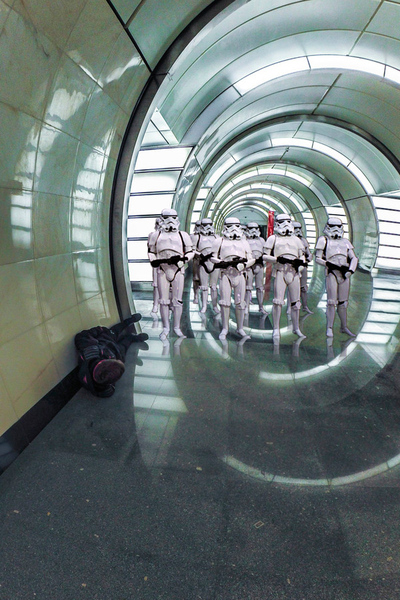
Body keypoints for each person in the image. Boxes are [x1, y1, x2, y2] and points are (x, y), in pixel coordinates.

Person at [75, 314, 149, 398]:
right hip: (116, 352)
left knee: (114, 331)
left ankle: (128, 321)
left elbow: (80, 336)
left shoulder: (90, 350)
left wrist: (100, 330)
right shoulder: (104, 386)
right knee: (124, 345)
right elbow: (109, 391)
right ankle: (132, 338)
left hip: (104, 340)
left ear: (102, 361)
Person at [148, 208, 194, 340]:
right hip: (162, 269)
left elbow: (190, 251)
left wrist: (183, 260)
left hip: (177, 269)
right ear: (162, 219)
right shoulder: (155, 235)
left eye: (173, 218)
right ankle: (166, 328)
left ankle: (177, 327)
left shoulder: (183, 235)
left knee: (177, 301)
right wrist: (153, 260)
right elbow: (151, 251)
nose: (170, 221)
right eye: (167, 218)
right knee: (163, 300)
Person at [263, 213, 306, 339]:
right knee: (278, 302)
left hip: (294, 272)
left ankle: (296, 327)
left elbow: (302, 256)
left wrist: (300, 265)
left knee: (296, 303)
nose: (286, 224)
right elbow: (265, 255)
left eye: (288, 221)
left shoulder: (296, 240)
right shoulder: (273, 239)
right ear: (277, 224)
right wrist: (277, 259)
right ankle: (276, 328)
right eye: (282, 222)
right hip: (280, 271)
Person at [211, 217, 254, 340]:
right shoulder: (219, 241)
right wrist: (223, 263)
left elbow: (251, 259)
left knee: (240, 303)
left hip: (240, 274)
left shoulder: (244, 242)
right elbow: (213, 257)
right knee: (225, 302)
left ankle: (240, 328)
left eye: (236, 225)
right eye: (231, 226)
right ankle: (225, 328)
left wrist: (244, 265)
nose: (234, 229)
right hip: (225, 274)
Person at [315, 217, 358, 337]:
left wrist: (350, 270)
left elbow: (353, 258)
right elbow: (318, 258)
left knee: (343, 303)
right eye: (333, 226)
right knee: (331, 302)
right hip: (332, 272)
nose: (335, 229)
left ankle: (344, 326)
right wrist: (328, 264)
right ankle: (329, 327)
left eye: (338, 226)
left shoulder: (345, 242)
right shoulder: (323, 240)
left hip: (344, 273)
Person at [195, 217, 220, 314]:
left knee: (213, 286)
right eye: (205, 225)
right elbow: (192, 250)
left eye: (210, 224)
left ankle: (215, 305)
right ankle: (204, 305)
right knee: (204, 286)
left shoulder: (217, 237)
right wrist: (200, 255)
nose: (208, 227)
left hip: (214, 264)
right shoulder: (198, 237)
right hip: (203, 263)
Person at [244, 222, 267, 314]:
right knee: (248, 287)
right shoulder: (245, 240)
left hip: (259, 265)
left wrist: (263, 260)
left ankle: (261, 307)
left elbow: (266, 252)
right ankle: (246, 306)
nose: (253, 230)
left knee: (260, 287)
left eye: (255, 228)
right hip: (249, 265)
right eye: (251, 228)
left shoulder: (261, 240)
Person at [292, 221, 313, 314]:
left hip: (303, 265)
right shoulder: (289, 240)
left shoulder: (303, 241)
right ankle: (290, 307)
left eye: (299, 228)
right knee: (292, 287)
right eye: (295, 228)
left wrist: (307, 259)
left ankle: (305, 306)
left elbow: (309, 253)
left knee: (303, 288)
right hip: (292, 266)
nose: (298, 230)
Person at [147, 217, 162, 315]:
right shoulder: (152, 235)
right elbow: (150, 250)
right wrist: (153, 260)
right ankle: (155, 304)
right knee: (156, 284)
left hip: (168, 263)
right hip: (157, 261)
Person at [190, 220, 202, 304]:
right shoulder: (193, 236)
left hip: (207, 261)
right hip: (196, 260)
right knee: (196, 279)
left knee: (204, 280)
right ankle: (196, 296)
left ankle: (202, 297)